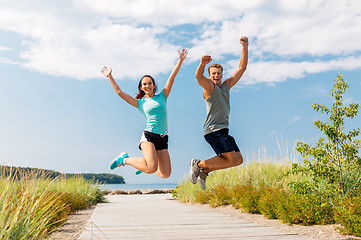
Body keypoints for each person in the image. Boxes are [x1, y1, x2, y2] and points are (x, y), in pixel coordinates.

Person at [101, 48, 188, 178]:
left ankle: (144, 166)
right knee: (151, 167)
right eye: (144, 84)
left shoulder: (163, 96)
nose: (147, 86)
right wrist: (109, 76)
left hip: (163, 137)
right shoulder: (140, 103)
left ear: (154, 86)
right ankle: (124, 160)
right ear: (141, 87)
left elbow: (172, 77)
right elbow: (119, 92)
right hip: (150, 136)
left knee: (165, 174)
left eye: (149, 83)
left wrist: (180, 60)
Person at [190, 36, 248, 189]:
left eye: (218, 73)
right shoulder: (209, 87)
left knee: (238, 160)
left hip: (224, 130)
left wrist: (245, 47)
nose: (216, 76)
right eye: (213, 73)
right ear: (210, 76)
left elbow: (241, 68)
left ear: (222, 75)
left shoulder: (226, 86)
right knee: (230, 159)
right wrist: (202, 64)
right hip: (213, 131)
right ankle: (198, 164)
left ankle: (205, 171)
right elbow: (198, 77)